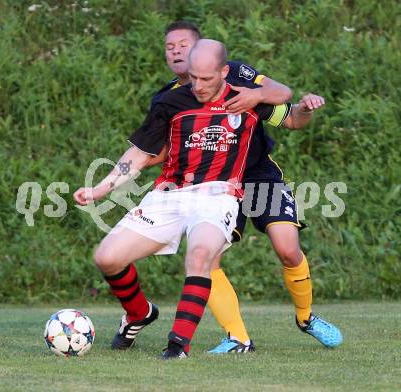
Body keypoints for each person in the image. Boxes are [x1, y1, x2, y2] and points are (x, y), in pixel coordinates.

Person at [74, 38, 328, 359]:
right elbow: (141, 153)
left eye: (206, 78)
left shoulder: (246, 98)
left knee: (201, 255)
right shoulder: (170, 102)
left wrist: (305, 108)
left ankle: (178, 346)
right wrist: (102, 188)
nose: (197, 85)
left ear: (225, 71)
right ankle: (139, 313)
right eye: (193, 77)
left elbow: (292, 117)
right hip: (169, 194)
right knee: (107, 257)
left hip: (218, 196)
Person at [147, 21, 343, 353]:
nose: (177, 51)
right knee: (207, 259)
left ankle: (306, 317)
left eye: (184, 44)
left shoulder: (236, 79)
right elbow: (161, 149)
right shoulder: (167, 100)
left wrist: (288, 105)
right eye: (170, 46)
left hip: (257, 174)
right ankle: (239, 338)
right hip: (213, 186)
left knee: (288, 247)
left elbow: (291, 116)